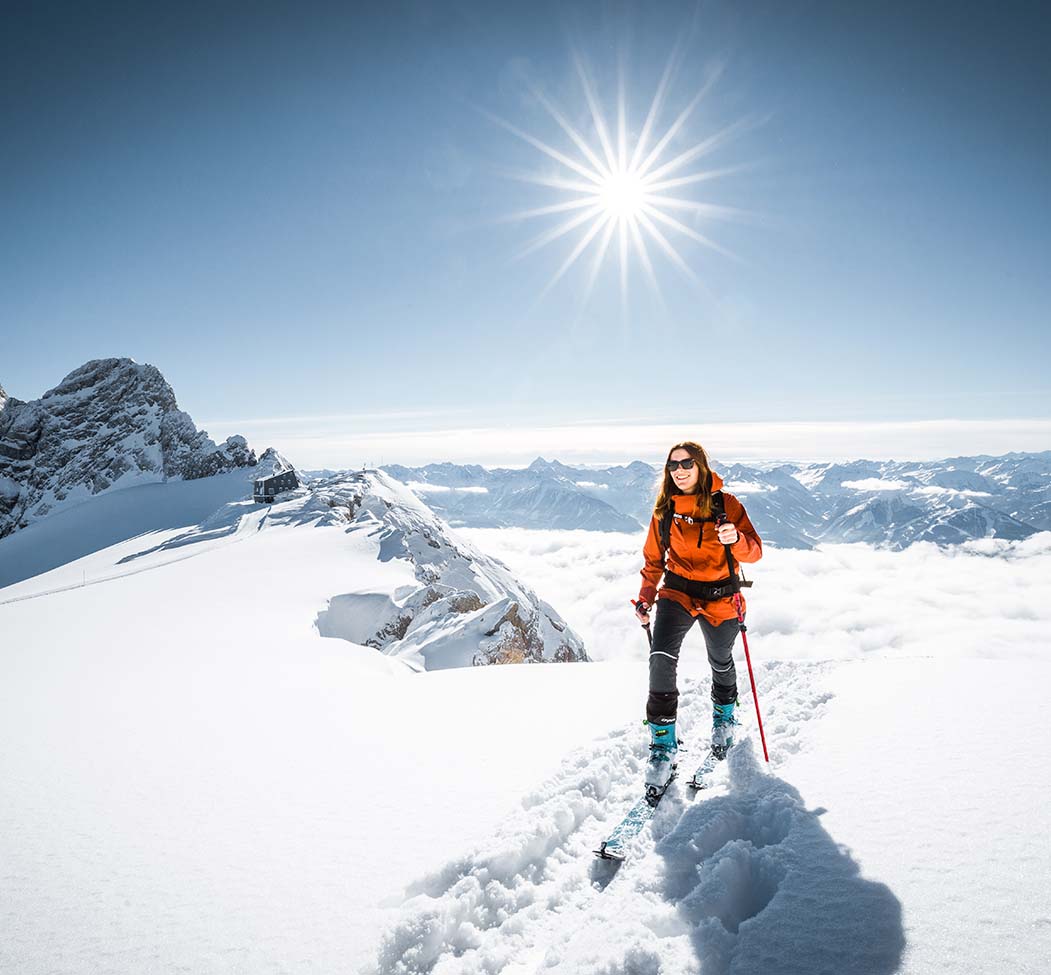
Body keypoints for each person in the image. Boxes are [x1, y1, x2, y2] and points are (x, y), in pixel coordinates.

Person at [634, 440, 763, 796]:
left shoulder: (727, 505)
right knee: (660, 659)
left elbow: (755, 552)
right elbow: (653, 561)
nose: (680, 470)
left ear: (701, 466)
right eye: (673, 465)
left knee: (720, 659)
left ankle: (724, 718)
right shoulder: (665, 510)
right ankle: (663, 748)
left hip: (721, 593)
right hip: (677, 592)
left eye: (687, 463)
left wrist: (735, 539)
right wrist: (646, 598)